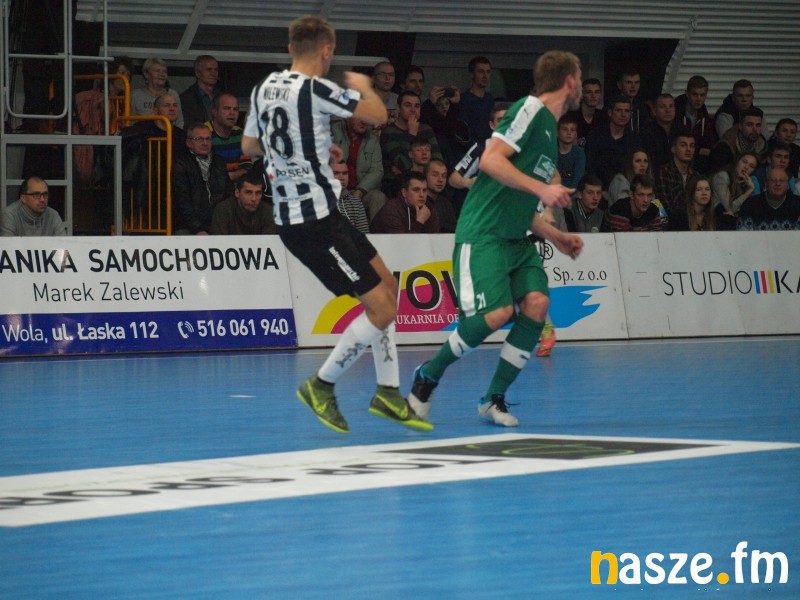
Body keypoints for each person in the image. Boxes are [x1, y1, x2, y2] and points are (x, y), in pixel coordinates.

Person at [241, 15, 431, 433]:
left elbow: (250, 144)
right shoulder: (315, 88)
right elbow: (378, 114)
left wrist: (299, 154)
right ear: (327, 51)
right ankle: (321, 385)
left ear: (290, 48)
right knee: (382, 307)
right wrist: (364, 86)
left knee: (388, 289)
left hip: (320, 215)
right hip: (310, 223)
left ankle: (387, 392)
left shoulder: (264, 88)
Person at [407, 50, 584, 427]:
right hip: (483, 235)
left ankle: (493, 398)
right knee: (497, 314)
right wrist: (543, 189)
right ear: (570, 81)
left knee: (537, 304)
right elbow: (489, 160)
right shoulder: (530, 109)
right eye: (581, 78)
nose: (582, 85)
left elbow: (520, 203)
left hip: (516, 239)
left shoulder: (549, 134)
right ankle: (427, 375)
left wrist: (556, 235)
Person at [172, 122, 231, 235]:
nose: (205, 143)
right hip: (188, 225)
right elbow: (182, 201)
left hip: (217, 222)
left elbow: (228, 194)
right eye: (199, 139)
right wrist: (198, 229)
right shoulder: (180, 163)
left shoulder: (219, 162)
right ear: (189, 142)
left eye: (208, 139)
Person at [380, 91, 443, 191]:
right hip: (397, 185)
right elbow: (404, 164)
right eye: (408, 105)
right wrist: (411, 135)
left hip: (426, 183)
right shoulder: (388, 132)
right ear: (398, 108)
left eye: (417, 106)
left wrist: (416, 168)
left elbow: (437, 162)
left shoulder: (426, 129)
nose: (413, 110)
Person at [330, 115, 387, 221]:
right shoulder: (331, 133)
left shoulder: (372, 140)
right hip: (334, 190)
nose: (364, 121)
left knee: (378, 197)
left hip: (360, 191)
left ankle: (377, 232)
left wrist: (359, 191)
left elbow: (377, 171)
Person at [449, 102, 510, 191]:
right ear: (492, 125)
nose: (505, 124)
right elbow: (453, 178)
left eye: (508, 120)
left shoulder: (525, 146)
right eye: (500, 120)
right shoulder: (481, 148)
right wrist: (468, 183)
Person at [584, 95, 642, 189]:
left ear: (631, 114)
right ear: (610, 113)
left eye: (627, 111)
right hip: (597, 189)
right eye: (619, 110)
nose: (623, 115)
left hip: (626, 189)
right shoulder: (596, 135)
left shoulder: (635, 140)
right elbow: (590, 167)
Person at [674, 75, 717, 174]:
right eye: (695, 94)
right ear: (687, 93)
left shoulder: (703, 113)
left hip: (697, 160)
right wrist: (699, 150)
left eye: (702, 95)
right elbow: (675, 139)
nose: (699, 99)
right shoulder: (676, 111)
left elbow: (709, 141)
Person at [210, 170, 276, 235]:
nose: (254, 198)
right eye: (248, 193)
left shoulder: (268, 211)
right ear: (237, 193)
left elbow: (270, 240)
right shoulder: (224, 210)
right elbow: (219, 240)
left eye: (258, 193)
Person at [371, 171, 439, 234]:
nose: (422, 195)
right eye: (416, 190)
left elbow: (435, 239)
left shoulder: (429, 207)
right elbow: (403, 242)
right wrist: (420, 221)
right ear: (404, 192)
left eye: (424, 190)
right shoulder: (391, 210)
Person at [205, 93, 252, 182]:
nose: (232, 113)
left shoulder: (240, 134)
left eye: (235, 109)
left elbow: (247, 166)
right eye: (226, 108)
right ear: (214, 112)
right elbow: (205, 172)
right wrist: (232, 176)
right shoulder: (204, 134)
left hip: (236, 187)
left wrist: (230, 176)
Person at [1, 176, 67, 236]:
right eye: (36, 195)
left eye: (45, 194)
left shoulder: (53, 216)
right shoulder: (9, 215)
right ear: (23, 198)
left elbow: (63, 244)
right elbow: (8, 245)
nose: (42, 199)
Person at [710, 150, 758, 229]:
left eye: (751, 166)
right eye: (744, 162)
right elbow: (729, 208)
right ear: (737, 161)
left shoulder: (746, 184)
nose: (746, 167)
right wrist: (750, 190)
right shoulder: (722, 176)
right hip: (715, 224)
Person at [131, 57, 184, 128]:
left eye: (164, 71)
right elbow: (130, 123)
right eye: (157, 71)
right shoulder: (135, 95)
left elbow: (179, 122)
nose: (162, 74)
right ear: (146, 74)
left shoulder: (173, 94)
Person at [654, 133, 696, 221]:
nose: (688, 149)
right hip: (670, 223)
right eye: (683, 145)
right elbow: (665, 207)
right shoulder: (664, 172)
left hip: (694, 222)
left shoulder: (695, 176)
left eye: (692, 146)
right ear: (673, 149)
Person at [459, 56, 494, 144]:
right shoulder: (464, 100)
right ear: (471, 74)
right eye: (481, 71)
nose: (485, 76)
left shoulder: (489, 99)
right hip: (472, 147)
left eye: (488, 72)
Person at [180, 55, 222, 128]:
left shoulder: (221, 96)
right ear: (198, 73)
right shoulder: (187, 98)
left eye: (216, 70)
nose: (213, 73)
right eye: (209, 70)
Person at [330, 160, 370, 233]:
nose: (342, 178)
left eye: (345, 173)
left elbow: (364, 234)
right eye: (336, 173)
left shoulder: (356, 202)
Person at [640, 93, 678, 170]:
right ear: (654, 111)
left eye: (671, 106)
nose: (668, 110)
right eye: (662, 107)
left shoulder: (681, 130)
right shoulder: (646, 132)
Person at [565, 78, 606, 149]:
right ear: (582, 94)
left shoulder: (603, 116)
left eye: (597, 92)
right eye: (589, 92)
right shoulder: (571, 116)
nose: (593, 96)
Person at [425, 159, 457, 233]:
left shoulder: (446, 204)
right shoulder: (416, 201)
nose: (440, 180)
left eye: (444, 176)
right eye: (435, 175)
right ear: (425, 176)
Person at [556, 112, 586, 190]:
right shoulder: (551, 151)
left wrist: (568, 192)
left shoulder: (579, 154)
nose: (569, 133)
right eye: (565, 129)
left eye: (572, 130)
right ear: (557, 133)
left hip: (572, 193)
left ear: (576, 134)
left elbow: (578, 180)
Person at [615, 68, 648, 133]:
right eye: (629, 82)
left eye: (636, 82)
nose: (633, 86)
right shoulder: (612, 106)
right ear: (619, 85)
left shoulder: (642, 108)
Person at [371, 61, 397, 125]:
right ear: (374, 78)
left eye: (391, 75)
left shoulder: (399, 100)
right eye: (383, 74)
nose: (387, 78)